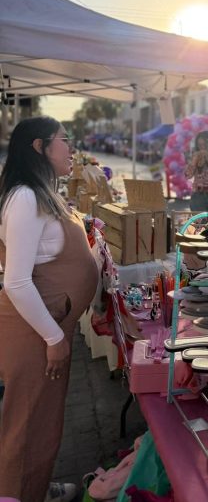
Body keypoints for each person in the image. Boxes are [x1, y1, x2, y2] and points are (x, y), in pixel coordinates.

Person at [0, 117, 99, 502]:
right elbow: (17, 282)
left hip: (46, 329)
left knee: (43, 422)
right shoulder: (25, 198)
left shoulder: (40, 193)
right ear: (40, 147)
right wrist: (54, 337)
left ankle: (35, 489)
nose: (71, 148)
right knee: (24, 424)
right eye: (64, 140)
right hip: (35, 333)